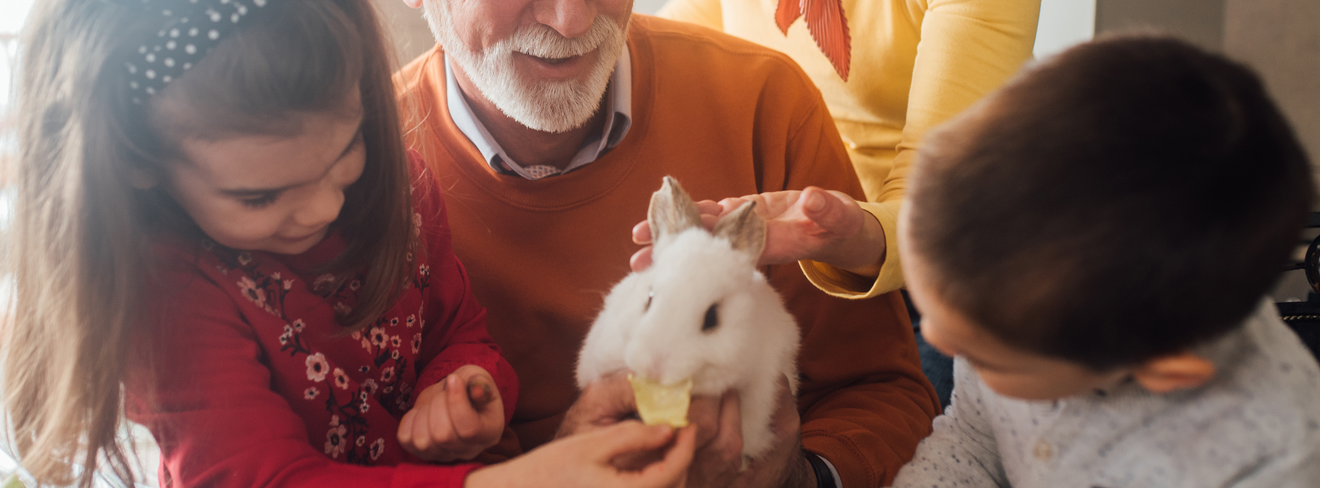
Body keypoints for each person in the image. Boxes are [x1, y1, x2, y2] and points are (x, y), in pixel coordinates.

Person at [0, 0, 694, 486]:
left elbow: (456, 327)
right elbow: (258, 478)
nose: (324, 207)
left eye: (345, 156)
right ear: (141, 162)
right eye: (259, 198)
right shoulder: (170, 290)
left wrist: (464, 385)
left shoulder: (394, 185)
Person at [393, 0, 938, 486]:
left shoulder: (762, 97)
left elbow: (887, 395)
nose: (572, 19)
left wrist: (801, 476)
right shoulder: (344, 179)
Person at [890, 35, 1320, 487]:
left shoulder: (1275, 460)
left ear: (1163, 369)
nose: (934, 338)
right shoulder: (1007, 305)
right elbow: (971, 444)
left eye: (983, 357)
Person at [649, 0, 1039, 300]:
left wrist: (854, 238)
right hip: (805, 253)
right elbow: (661, 57)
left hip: (960, 267)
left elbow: (937, 198)